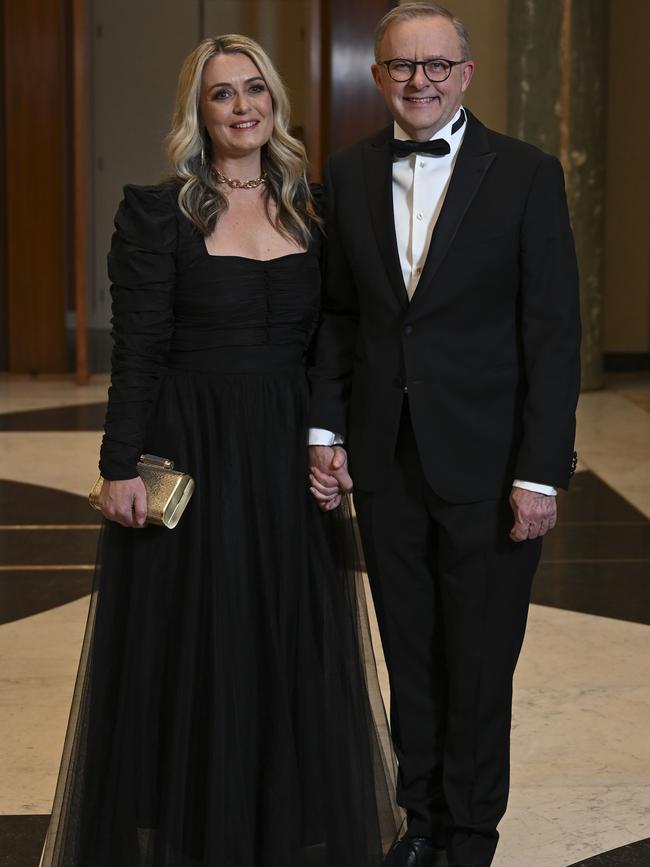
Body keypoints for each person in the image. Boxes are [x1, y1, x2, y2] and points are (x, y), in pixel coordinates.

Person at [40, 34, 399, 867]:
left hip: (283, 448)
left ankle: (276, 817)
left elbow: (331, 341)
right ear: (196, 113)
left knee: (282, 632)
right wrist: (119, 463)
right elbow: (139, 347)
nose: (242, 108)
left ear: (274, 102)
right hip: (193, 441)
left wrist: (327, 436)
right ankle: (199, 824)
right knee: (194, 637)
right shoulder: (157, 210)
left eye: (254, 91)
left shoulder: (313, 207)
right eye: (221, 95)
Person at [307, 4, 581, 867]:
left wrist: (541, 473)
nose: (417, 81)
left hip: (492, 461)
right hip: (387, 458)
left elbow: (553, 331)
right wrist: (327, 425)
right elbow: (341, 317)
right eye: (400, 66)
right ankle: (420, 822)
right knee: (411, 655)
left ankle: (471, 834)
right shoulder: (347, 174)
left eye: (435, 65)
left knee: (478, 662)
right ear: (378, 75)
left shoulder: (528, 175)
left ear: (464, 73)